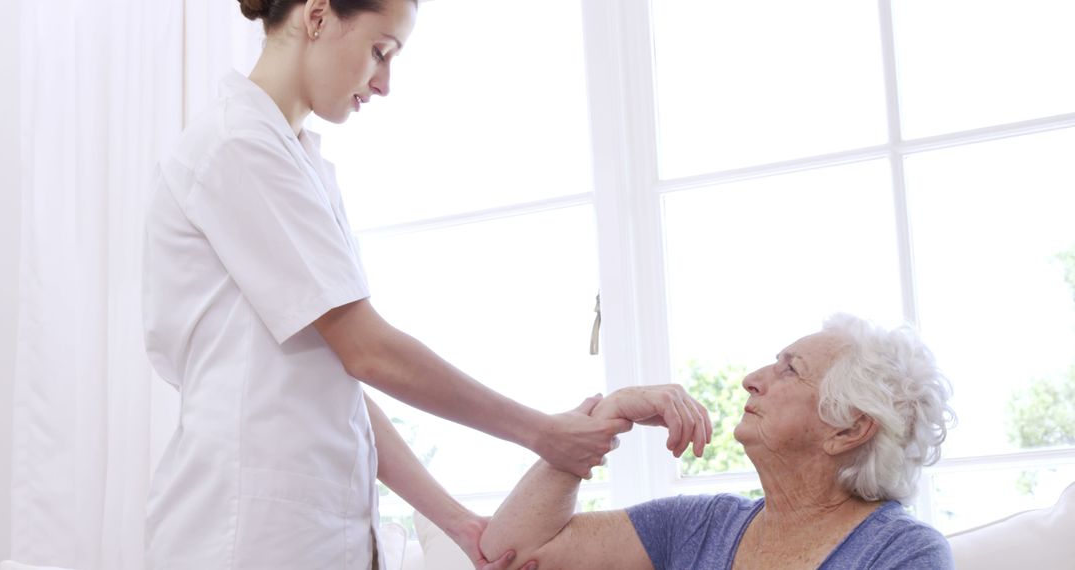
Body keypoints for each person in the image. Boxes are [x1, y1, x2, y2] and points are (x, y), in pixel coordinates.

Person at [141, 0, 638, 568]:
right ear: (319, 15)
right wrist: (540, 432)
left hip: (307, 528)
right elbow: (368, 351)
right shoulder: (236, 146)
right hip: (243, 533)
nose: (384, 83)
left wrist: (458, 522)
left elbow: (333, 383)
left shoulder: (294, 159)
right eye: (380, 52)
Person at [479, 313, 956, 569]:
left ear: (849, 429)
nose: (751, 379)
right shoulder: (702, 526)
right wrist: (608, 415)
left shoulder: (903, 554)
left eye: (790, 369)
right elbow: (510, 551)